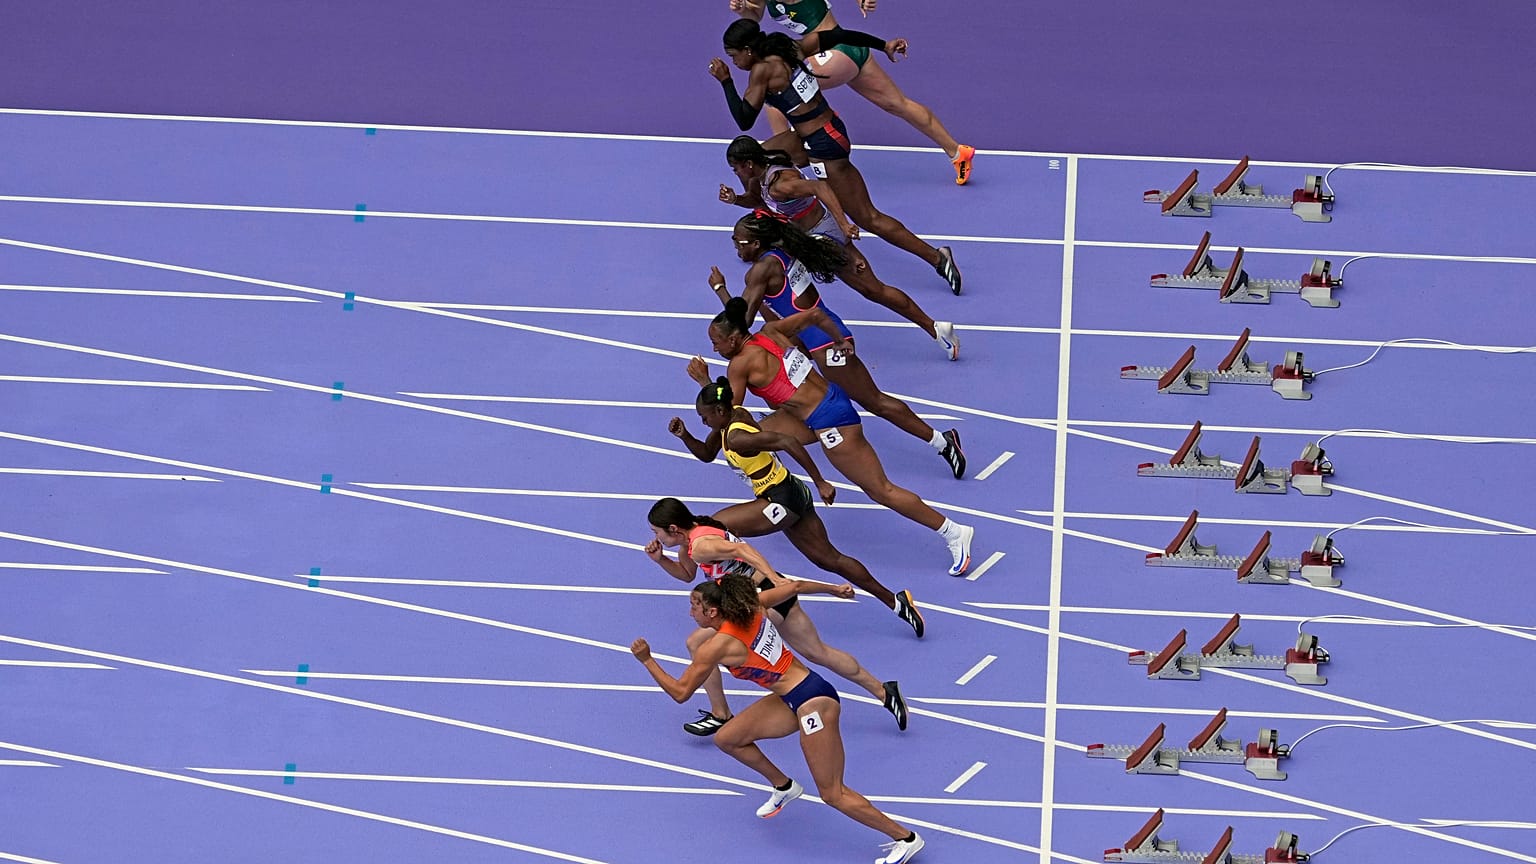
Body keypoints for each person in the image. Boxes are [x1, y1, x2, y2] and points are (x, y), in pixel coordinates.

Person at [632, 572, 926, 863]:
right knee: (728, 738)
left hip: (814, 703)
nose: (690, 612)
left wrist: (647, 660)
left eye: (694, 605)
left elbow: (681, 692)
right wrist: (833, 589)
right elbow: (795, 586)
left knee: (833, 793)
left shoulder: (716, 646)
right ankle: (784, 786)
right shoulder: (753, 607)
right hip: (792, 698)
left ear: (711, 611)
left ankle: (905, 838)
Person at [688, 297, 974, 576]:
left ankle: (953, 532)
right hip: (824, 399)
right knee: (757, 433)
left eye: (716, 342)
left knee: (880, 490)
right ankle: (777, 489)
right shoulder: (771, 331)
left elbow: (728, 413)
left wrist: (703, 381)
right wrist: (840, 341)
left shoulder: (738, 365)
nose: (714, 349)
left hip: (830, 420)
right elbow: (815, 315)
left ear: (735, 339)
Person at [710, 21, 964, 296]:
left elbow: (744, 119)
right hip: (821, 132)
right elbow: (839, 35)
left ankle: (937, 258)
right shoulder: (789, 48)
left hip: (824, 145)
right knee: (754, 159)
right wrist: (883, 45)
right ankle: (772, 224)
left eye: (734, 55)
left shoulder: (761, 71)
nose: (733, 61)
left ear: (748, 50)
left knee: (868, 218)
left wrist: (726, 82)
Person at [710, 210, 966, 478]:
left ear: (755, 244)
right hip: (814, 330)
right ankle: (787, 419)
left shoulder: (760, 271)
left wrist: (720, 289)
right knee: (772, 370)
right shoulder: (782, 251)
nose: (735, 248)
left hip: (824, 342)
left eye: (737, 242)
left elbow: (740, 325)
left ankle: (942, 441)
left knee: (874, 401)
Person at [669, 377, 926, 637]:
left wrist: (821, 481)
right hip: (790, 491)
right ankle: (896, 602)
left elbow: (787, 442)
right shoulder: (732, 417)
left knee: (713, 528)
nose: (703, 423)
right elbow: (706, 453)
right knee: (829, 559)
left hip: (780, 499)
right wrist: (684, 435)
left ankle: (748, 587)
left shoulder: (736, 438)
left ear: (719, 411)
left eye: (704, 418)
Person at [645, 496, 909, 735]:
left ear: (673, 529)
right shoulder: (691, 543)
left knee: (698, 643)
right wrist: (660, 560)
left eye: (656, 532)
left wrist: (772, 577)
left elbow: (743, 550)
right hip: (771, 594)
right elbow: (687, 575)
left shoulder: (701, 545)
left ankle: (721, 714)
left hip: (764, 597)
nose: (656, 537)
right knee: (818, 652)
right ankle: (884, 691)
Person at [720, 137, 964, 348]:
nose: (736, 173)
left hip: (825, 238)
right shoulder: (760, 177)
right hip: (802, 241)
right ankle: (796, 330)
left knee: (872, 290)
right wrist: (735, 200)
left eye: (735, 169)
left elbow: (820, 187)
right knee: (769, 272)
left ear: (748, 164)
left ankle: (935, 328)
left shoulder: (781, 185)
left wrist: (844, 224)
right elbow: (755, 199)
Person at [729, 0, 975, 186]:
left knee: (778, 91)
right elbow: (754, 18)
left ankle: (786, 172)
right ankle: (958, 152)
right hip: (843, 47)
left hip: (837, 51)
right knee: (897, 104)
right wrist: (743, 10)